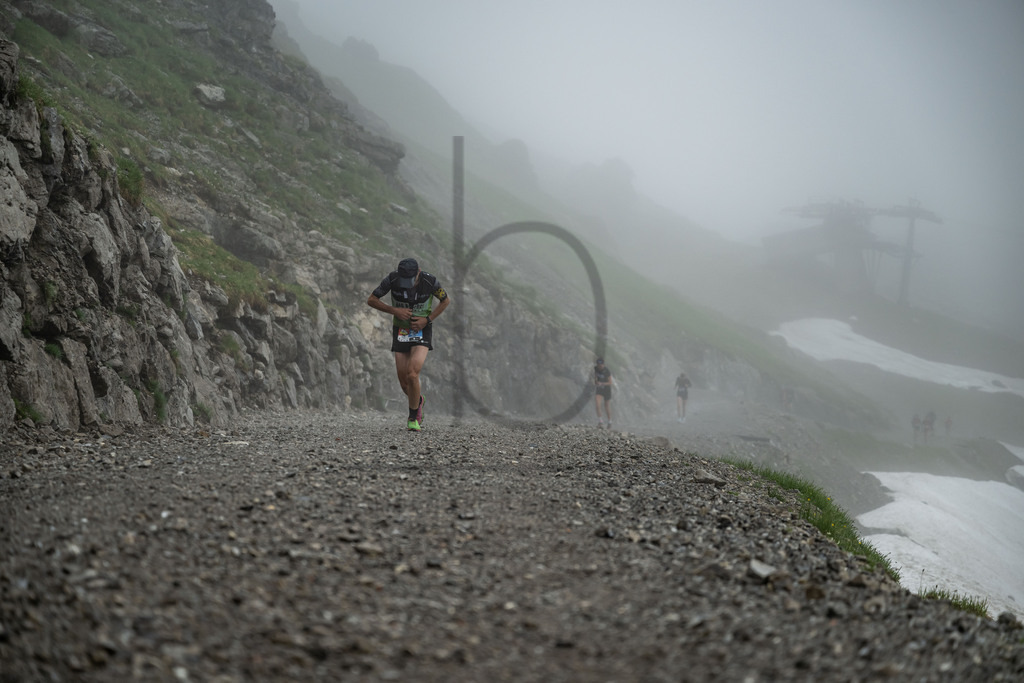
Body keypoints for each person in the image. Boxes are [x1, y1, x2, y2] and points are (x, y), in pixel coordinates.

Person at [367, 257, 450, 431]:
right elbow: (372, 300)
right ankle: (419, 400)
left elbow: (445, 301)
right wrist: (394, 310)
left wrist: (427, 320)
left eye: (410, 281)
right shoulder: (392, 279)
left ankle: (413, 418)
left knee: (413, 374)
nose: (407, 285)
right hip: (401, 331)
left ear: (418, 272)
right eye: (404, 281)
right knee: (405, 384)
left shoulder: (430, 281)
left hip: (421, 329)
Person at [593, 357, 613, 429]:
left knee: (606, 406)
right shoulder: (596, 369)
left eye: (601, 365)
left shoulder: (607, 371)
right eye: (598, 365)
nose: (600, 366)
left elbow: (610, 382)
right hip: (599, 389)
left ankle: (610, 421)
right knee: (597, 404)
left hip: (607, 389)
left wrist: (602, 383)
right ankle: (600, 421)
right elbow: (595, 377)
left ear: (603, 364)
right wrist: (596, 381)